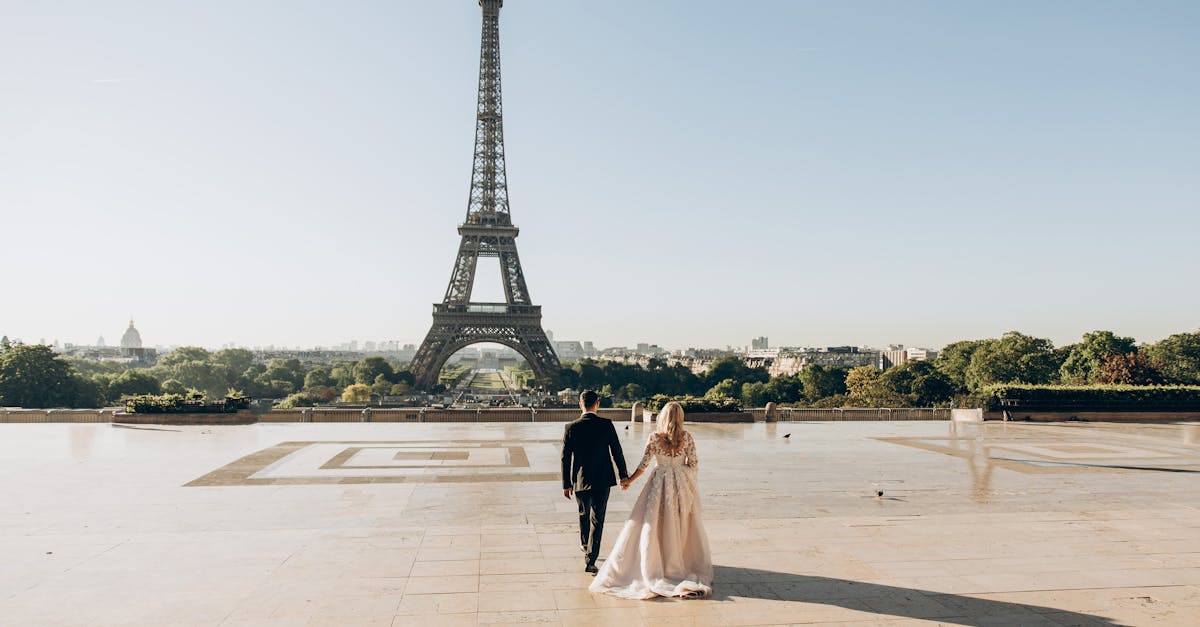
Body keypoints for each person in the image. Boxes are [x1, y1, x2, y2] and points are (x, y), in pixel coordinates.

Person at [589, 401, 713, 599]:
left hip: (659, 482)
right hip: (681, 485)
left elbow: (644, 464)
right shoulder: (687, 437)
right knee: (680, 524)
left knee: (654, 523)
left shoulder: (655, 438)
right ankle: (676, 562)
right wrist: (680, 474)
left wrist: (628, 480)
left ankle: (657, 562)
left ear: (663, 416)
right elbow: (694, 464)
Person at [561, 389, 629, 574]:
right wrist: (623, 475)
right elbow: (617, 452)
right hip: (603, 479)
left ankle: (585, 546)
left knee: (583, 515)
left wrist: (566, 484)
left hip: (581, 480)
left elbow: (565, 458)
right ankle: (591, 558)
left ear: (580, 405)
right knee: (598, 519)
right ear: (597, 404)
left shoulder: (571, 427)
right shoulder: (606, 425)